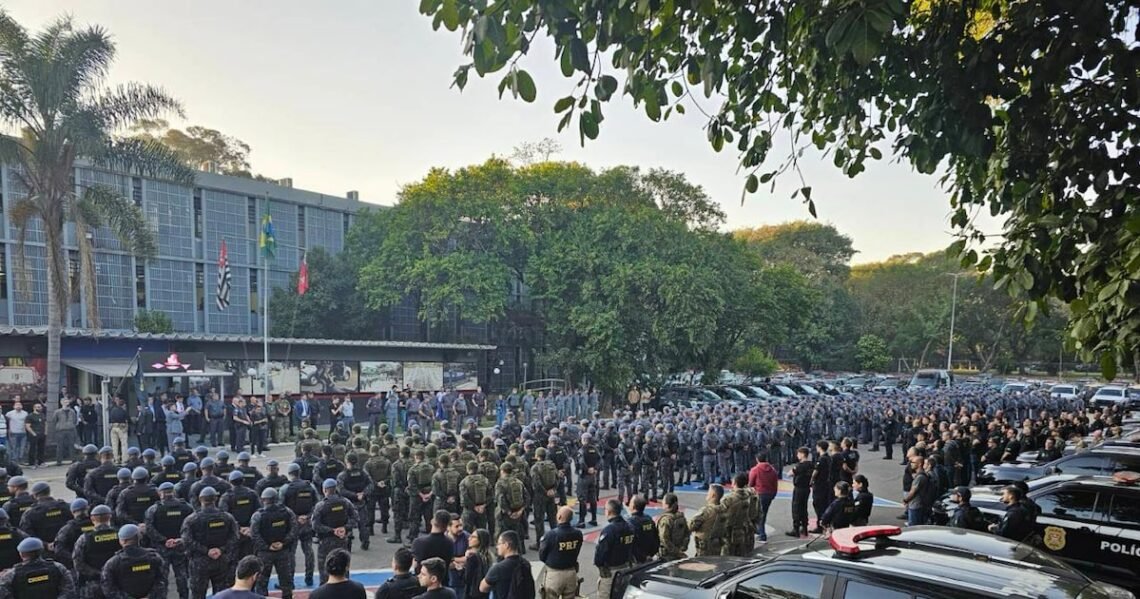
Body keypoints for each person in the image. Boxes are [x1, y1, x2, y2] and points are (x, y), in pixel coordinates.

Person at [181, 487, 239, 599]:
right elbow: (235, 537)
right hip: (221, 560)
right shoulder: (227, 517)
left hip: (199, 563)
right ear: (215, 499)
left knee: (198, 595)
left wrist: (206, 551)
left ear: (200, 499)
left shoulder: (192, 519)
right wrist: (220, 550)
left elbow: (187, 540)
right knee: (222, 595)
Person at [144, 483, 193, 599]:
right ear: (173, 492)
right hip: (180, 546)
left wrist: (164, 540)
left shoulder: (154, 509)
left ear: (160, 493)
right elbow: (192, 526)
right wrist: (179, 540)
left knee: (162, 577)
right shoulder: (186, 507)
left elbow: (149, 528)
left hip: (162, 548)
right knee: (182, 576)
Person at [250, 488, 298, 599]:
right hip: (283, 551)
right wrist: (283, 543)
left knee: (262, 582)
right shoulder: (287, 512)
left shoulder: (258, 515)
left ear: (263, 500)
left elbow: (254, 535)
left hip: (265, 553)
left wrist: (267, 546)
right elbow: (294, 530)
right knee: (286, 580)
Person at [99, 523, 167, 599]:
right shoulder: (154, 557)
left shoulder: (113, 562)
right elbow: (162, 580)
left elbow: (108, 588)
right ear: (140, 537)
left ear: (123, 541)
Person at [311, 479, 357, 585]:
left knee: (324, 571)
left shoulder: (321, 505)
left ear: (325, 490)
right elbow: (355, 518)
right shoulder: (345, 502)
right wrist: (344, 528)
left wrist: (332, 530)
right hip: (342, 540)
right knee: (343, 567)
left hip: (326, 543)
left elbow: (315, 525)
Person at [0, 537, 75, 599]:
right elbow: (69, 590)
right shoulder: (58, 567)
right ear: (41, 551)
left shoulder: (11, 575)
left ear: (21, 554)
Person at [281, 464, 318, 587]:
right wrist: (307, 517)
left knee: (290, 554)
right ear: (300, 472)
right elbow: (317, 505)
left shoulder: (285, 488)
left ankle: (289, 581)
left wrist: (296, 518)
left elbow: (281, 508)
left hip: (292, 526)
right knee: (308, 551)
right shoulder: (310, 486)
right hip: (307, 524)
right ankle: (309, 578)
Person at [538, 506, 582, 599]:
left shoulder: (550, 535)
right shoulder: (578, 534)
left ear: (560, 517)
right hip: (571, 572)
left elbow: (542, 555)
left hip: (554, 574)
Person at [480, 530, 533, 599]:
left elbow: (482, 588)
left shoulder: (498, 568)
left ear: (506, 545)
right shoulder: (525, 563)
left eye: (499, 544)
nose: (497, 547)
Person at [748, 452, 778, 541]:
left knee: (758, 514)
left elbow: (751, 483)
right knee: (763, 512)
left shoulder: (755, 470)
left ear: (757, 459)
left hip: (760, 493)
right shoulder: (772, 470)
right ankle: (759, 530)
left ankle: (761, 533)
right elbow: (775, 483)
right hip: (769, 493)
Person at [689, 484, 724, 557]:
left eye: (709, 492)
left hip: (705, 546)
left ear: (713, 495)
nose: (707, 494)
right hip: (717, 543)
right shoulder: (723, 509)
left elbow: (691, 526)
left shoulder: (706, 511)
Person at [786, 447, 813, 538]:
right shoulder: (811, 464)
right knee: (804, 508)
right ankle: (804, 528)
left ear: (802, 454)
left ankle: (796, 529)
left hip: (799, 488)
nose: (797, 455)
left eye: (798, 454)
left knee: (796, 508)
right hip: (807, 488)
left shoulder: (800, 466)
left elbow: (789, 474)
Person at [656, 493, 689, 561]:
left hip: (666, 555)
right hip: (679, 551)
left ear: (667, 505)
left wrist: (675, 551)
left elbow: (664, 539)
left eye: (663, 501)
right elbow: (687, 533)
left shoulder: (666, 520)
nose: (662, 502)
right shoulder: (681, 517)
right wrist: (682, 548)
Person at [627, 494, 658, 564]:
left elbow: (631, 544)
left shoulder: (631, 522)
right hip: (649, 556)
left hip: (636, 560)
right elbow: (656, 538)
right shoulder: (649, 519)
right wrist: (651, 554)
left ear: (633, 506)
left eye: (631, 502)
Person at [903, 456, 931, 526]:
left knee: (913, 526)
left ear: (919, 464)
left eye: (913, 462)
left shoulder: (919, 477)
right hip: (918, 504)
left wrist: (906, 500)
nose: (911, 464)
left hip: (916, 505)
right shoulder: (922, 475)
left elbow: (913, 491)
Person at [50, 398, 79, 466]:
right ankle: (59, 461)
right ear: (61, 403)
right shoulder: (57, 412)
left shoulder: (72, 411)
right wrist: (58, 427)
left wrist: (71, 426)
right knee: (60, 446)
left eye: (67, 402)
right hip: (60, 431)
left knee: (71, 445)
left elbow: (75, 420)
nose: (66, 403)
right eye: (65, 402)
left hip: (70, 430)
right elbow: (54, 421)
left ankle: (73, 459)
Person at [5, 401, 28, 465]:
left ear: (22, 406)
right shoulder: (9, 414)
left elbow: (27, 422)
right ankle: (14, 461)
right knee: (14, 447)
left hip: (23, 433)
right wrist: (9, 430)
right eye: (17, 405)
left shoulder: (25, 413)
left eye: (20, 405)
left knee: (22, 447)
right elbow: (7, 423)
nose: (18, 406)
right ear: (14, 406)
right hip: (13, 432)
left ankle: (21, 460)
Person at [24, 403, 46, 468]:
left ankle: (40, 462)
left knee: (41, 449)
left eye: (40, 407)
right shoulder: (30, 416)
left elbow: (45, 423)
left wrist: (45, 432)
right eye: (38, 407)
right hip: (33, 435)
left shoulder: (42, 415)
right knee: (32, 449)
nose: (40, 408)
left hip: (42, 434)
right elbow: (27, 426)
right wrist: (33, 433)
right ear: (34, 408)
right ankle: (31, 463)